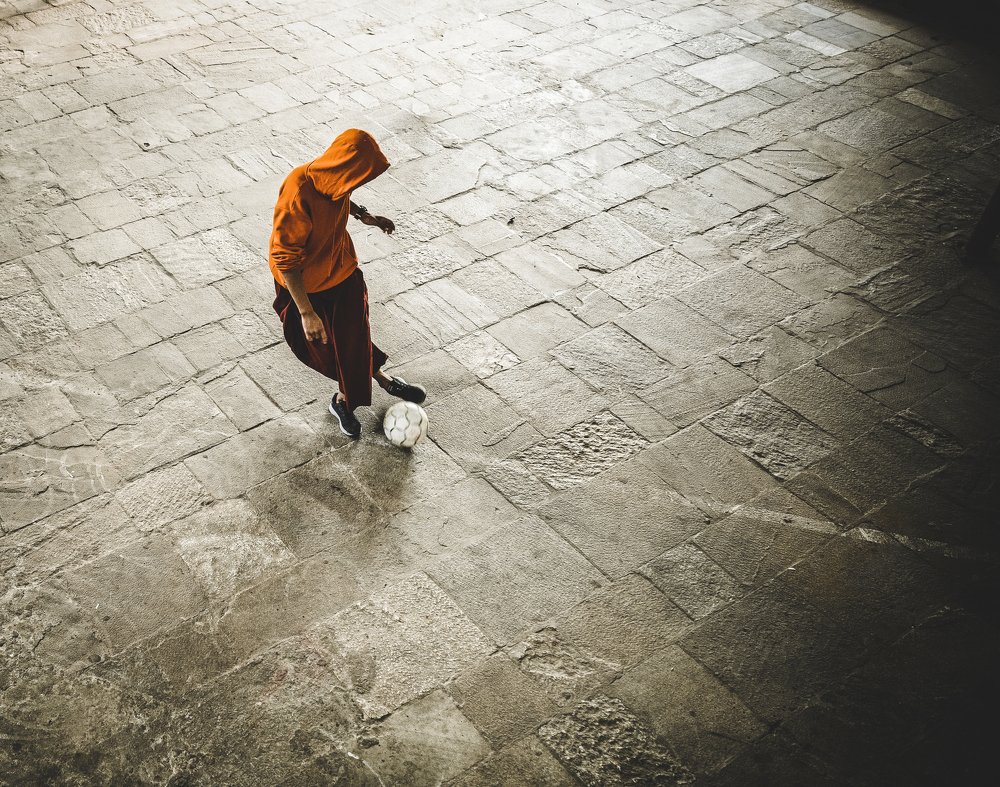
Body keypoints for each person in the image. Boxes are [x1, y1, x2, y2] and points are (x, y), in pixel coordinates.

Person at [268, 128, 425, 438]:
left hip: (342, 270)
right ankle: (347, 399)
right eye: (359, 176)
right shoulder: (298, 190)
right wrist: (307, 312)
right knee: (328, 348)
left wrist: (366, 216)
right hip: (306, 287)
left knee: (355, 335)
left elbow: (342, 193)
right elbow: (285, 259)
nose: (359, 183)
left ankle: (370, 384)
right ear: (343, 166)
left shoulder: (337, 180)